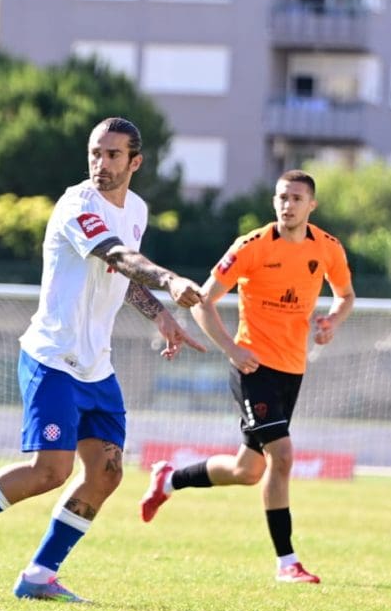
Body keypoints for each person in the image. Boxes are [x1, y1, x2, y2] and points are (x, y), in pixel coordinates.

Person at [0, 117, 206, 603]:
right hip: (52, 358)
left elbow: (121, 272)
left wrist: (160, 315)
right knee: (51, 470)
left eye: (113, 155)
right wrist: (171, 280)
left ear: (135, 162)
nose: (101, 163)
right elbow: (116, 256)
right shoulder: (77, 205)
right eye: (95, 152)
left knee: (107, 473)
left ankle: (39, 576)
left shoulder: (135, 208)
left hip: (97, 367)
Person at [140, 170, 354, 585]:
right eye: (280, 197)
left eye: (295, 198)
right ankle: (287, 561)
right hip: (252, 368)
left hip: (293, 370)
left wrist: (333, 321)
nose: (286, 205)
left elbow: (346, 295)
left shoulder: (328, 248)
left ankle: (170, 478)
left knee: (247, 471)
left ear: (311, 205)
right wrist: (232, 349)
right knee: (284, 456)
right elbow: (202, 302)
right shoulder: (251, 247)